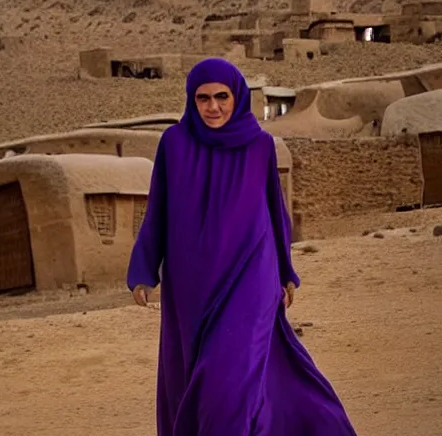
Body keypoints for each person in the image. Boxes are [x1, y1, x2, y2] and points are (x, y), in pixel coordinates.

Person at [126, 58, 357, 435]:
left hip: (250, 275)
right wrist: (143, 271)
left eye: (222, 97)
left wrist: (285, 272)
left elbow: (274, 211)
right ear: (191, 99)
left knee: (225, 380)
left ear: (237, 97)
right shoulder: (174, 143)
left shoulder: (259, 145)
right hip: (191, 285)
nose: (213, 107)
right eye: (203, 98)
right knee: (197, 379)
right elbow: (159, 210)